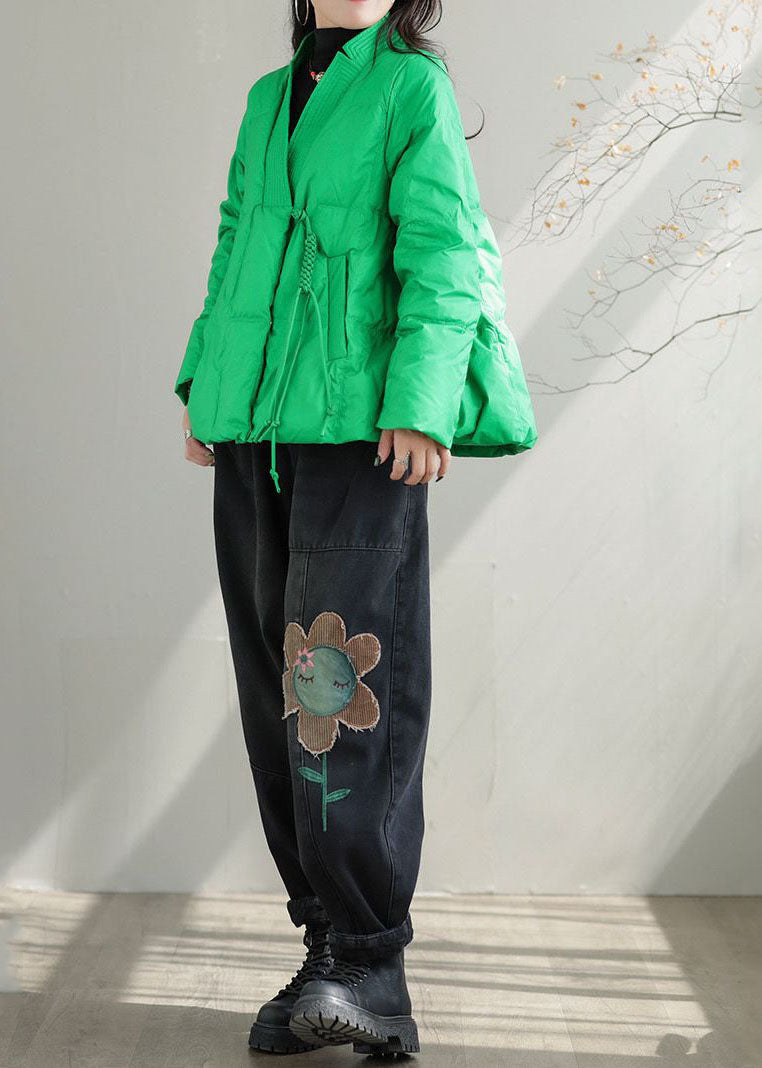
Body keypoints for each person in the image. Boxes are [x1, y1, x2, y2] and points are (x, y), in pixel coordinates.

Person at [174, 0, 537, 1055]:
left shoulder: (409, 86)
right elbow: (237, 240)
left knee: (342, 688)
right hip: (255, 430)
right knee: (272, 689)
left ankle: (373, 962)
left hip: (363, 436)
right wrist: (206, 383)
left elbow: (444, 249)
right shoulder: (267, 98)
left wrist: (423, 402)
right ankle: (325, 944)